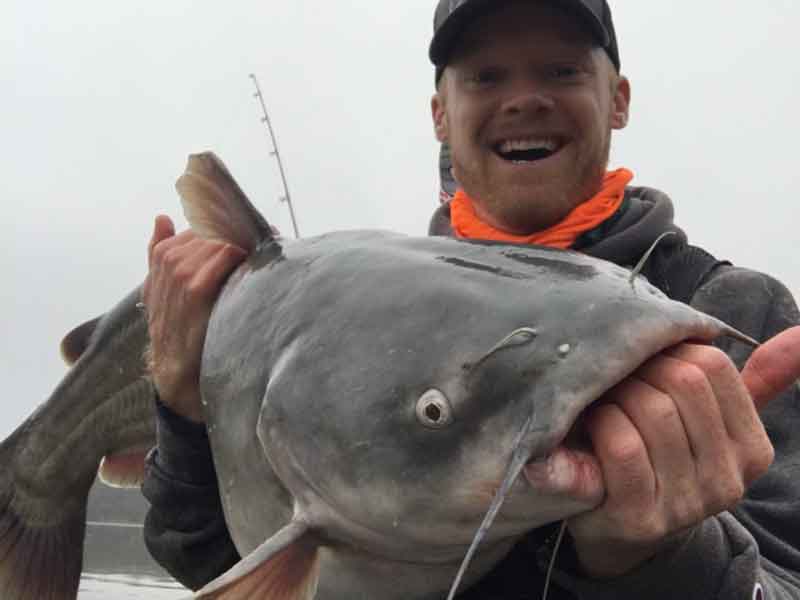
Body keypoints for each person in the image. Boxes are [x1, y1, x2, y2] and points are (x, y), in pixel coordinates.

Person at [141, 1, 800, 598]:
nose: (525, 99)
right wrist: (179, 409)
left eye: (562, 70)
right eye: (486, 77)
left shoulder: (731, 317)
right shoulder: (360, 323)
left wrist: (664, 559)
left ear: (619, 99)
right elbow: (204, 558)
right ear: (439, 115)